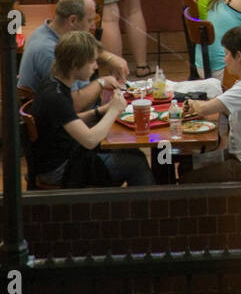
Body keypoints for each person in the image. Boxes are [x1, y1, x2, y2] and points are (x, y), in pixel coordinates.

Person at [28, 31, 154, 188]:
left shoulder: (53, 83)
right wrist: (113, 110)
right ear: (75, 64)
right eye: (92, 61)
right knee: (136, 164)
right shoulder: (56, 97)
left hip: (64, 158)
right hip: (61, 170)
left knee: (133, 153)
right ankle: (149, 209)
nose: (96, 67)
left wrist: (101, 111)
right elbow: (89, 140)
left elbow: (69, 121)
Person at [179, 26, 241, 183]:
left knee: (187, 180)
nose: (224, 60)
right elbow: (224, 103)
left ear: (238, 56)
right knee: (186, 164)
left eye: (226, 54)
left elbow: (204, 109)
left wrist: (191, 102)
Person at [17, 0, 129, 105]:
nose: (93, 26)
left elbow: (81, 48)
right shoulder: (49, 51)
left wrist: (109, 58)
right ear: (72, 21)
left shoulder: (49, 31)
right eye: (89, 21)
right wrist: (101, 83)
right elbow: (72, 104)